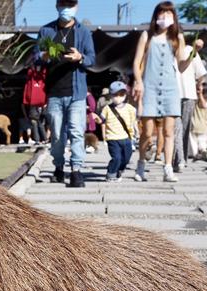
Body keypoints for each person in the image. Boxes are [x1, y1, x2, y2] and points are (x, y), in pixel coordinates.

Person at [132, 1, 199, 183]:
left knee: (169, 131)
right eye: (162, 14)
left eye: (168, 14)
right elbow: (137, 62)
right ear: (156, 16)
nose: (165, 17)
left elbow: (182, 66)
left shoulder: (177, 37)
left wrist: (194, 52)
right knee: (147, 132)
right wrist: (138, 82)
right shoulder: (147, 36)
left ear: (173, 17)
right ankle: (140, 164)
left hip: (170, 88)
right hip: (150, 87)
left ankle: (168, 168)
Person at [36, 0, 96, 188]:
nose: (66, 9)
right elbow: (35, 56)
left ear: (76, 7)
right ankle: (59, 167)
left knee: (77, 132)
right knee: (56, 135)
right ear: (57, 7)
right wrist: (42, 57)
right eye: (63, 5)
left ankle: (76, 170)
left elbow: (92, 59)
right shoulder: (46, 31)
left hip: (76, 92)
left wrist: (80, 58)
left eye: (70, 5)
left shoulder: (83, 32)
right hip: (54, 92)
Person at [173, 35, 206, 171]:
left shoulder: (190, 50)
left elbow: (201, 73)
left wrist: (199, 87)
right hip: (172, 95)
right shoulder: (166, 50)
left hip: (189, 95)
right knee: (176, 128)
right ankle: (178, 160)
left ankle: (181, 160)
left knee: (185, 129)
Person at [94, 81, 137, 182]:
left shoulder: (130, 108)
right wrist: (96, 119)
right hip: (112, 138)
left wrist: (135, 133)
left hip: (126, 138)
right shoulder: (107, 108)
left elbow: (133, 121)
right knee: (117, 157)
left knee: (126, 158)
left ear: (125, 95)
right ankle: (111, 173)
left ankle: (119, 170)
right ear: (111, 96)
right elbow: (102, 120)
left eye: (121, 94)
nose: (119, 97)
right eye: (115, 95)